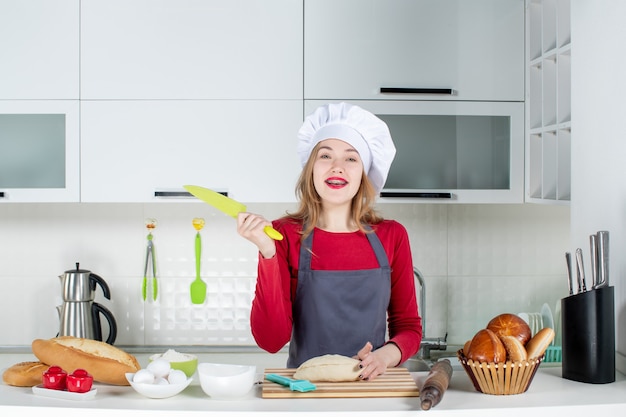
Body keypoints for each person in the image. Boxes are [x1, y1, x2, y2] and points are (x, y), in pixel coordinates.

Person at [237, 102, 422, 381]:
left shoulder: (392, 236)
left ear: (364, 173)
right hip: (303, 390)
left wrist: (385, 356)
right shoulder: (282, 235)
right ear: (311, 168)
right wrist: (267, 252)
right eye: (326, 156)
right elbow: (270, 340)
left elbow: (408, 326)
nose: (337, 167)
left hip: (370, 389)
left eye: (351, 158)